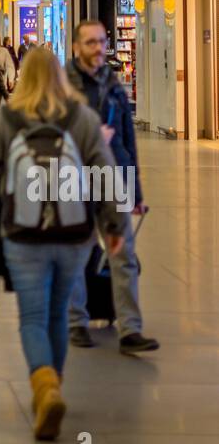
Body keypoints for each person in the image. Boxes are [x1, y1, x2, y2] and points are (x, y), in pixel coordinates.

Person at [0, 48, 125, 440]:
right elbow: (106, 174)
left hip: (23, 233)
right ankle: (54, 385)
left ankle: (44, 387)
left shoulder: (9, 118)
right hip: (74, 233)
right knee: (58, 312)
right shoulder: (81, 118)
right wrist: (113, 227)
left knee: (32, 316)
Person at [67, 20, 160, 354]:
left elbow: (127, 140)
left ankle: (130, 329)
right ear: (76, 46)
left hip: (113, 180)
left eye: (102, 42)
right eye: (90, 42)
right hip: (76, 182)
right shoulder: (63, 86)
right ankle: (76, 321)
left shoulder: (114, 85)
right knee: (77, 253)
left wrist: (135, 192)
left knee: (124, 255)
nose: (98, 48)